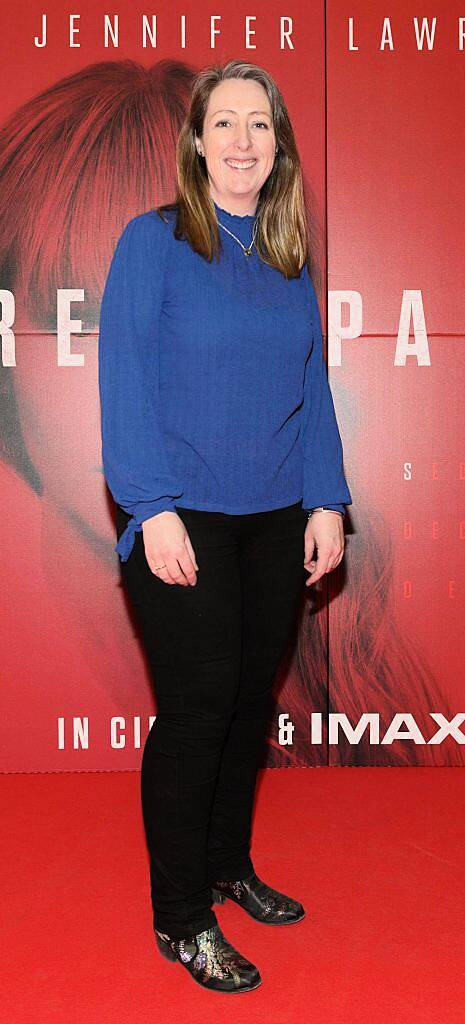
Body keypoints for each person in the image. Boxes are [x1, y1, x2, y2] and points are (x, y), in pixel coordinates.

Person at [98, 58, 352, 994]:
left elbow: (310, 390)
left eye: (260, 124)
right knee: (200, 712)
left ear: (276, 144)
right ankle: (180, 917)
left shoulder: (285, 258)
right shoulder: (153, 242)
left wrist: (326, 500)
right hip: (184, 518)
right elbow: (124, 384)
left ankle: (226, 865)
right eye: (226, 124)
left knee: (247, 711)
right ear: (196, 142)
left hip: (275, 518)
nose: (243, 140)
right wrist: (151, 508)